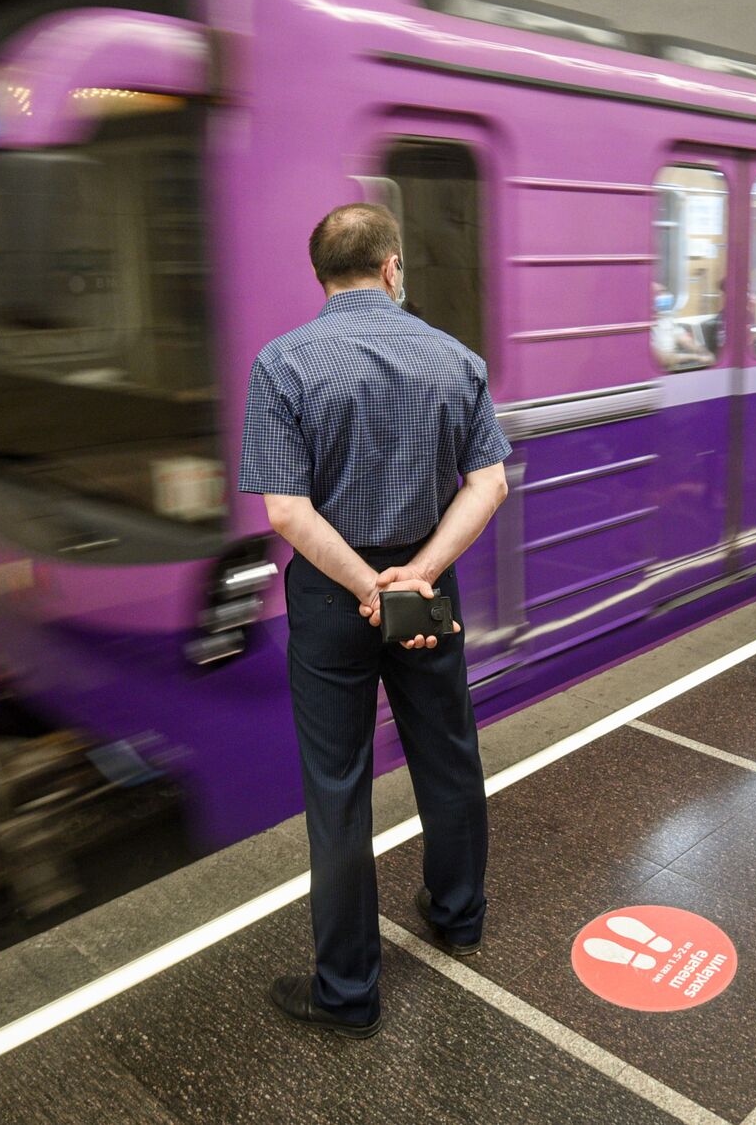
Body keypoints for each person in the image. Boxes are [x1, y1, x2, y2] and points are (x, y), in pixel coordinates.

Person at [239, 203, 511, 1038]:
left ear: (321, 275)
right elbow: (490, 484)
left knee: (339, 788)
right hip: (428, 596)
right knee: (448, 755)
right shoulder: (454, 359)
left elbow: (286, 513)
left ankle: (349, 991)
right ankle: (459, 914)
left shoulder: (282, 364)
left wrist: (365, 587)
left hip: (331, 597)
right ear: (393, 266)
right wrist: (415, 579)